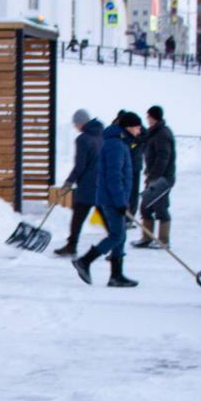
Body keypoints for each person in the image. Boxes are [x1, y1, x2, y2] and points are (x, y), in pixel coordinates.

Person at [71, 112, 139, 288]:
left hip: (114, 197)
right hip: (112, 198)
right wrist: (120, 201)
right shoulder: (116, 145)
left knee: (119, 236)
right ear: (128, 127)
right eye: (137, 127)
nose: (139, 130)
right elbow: (114, 176)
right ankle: (85, 261)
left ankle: (116, 275)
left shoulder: (119, 143)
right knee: (117, 235)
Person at [53, 108, 104, 257]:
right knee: (107, 218)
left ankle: (71, 246)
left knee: (78, 216)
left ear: (80, 123)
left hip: (87, 186)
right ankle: (116, 248)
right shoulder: (102, 136)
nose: (75, 127)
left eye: (75, 124)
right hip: (101, 184)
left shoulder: (83, 139)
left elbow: (80, 165)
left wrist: (69, 183)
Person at [133, 104, 176, 249]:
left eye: (149, 116)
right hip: (153, 177)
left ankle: (163, 240)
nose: (147, 119)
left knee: (160, 207)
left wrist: (155, 176)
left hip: (162, 179)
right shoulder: (154, 132)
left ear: (154, 117)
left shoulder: (163, 134)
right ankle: (146, 237)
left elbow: (163, 157)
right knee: (145, 207)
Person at [121, 110, 146, 215]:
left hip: (135, 166)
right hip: (124, 166)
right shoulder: (119, 129)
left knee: (133, 192)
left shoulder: (139, 130)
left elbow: (144, 137)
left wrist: (135, 142)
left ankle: (131, 214)